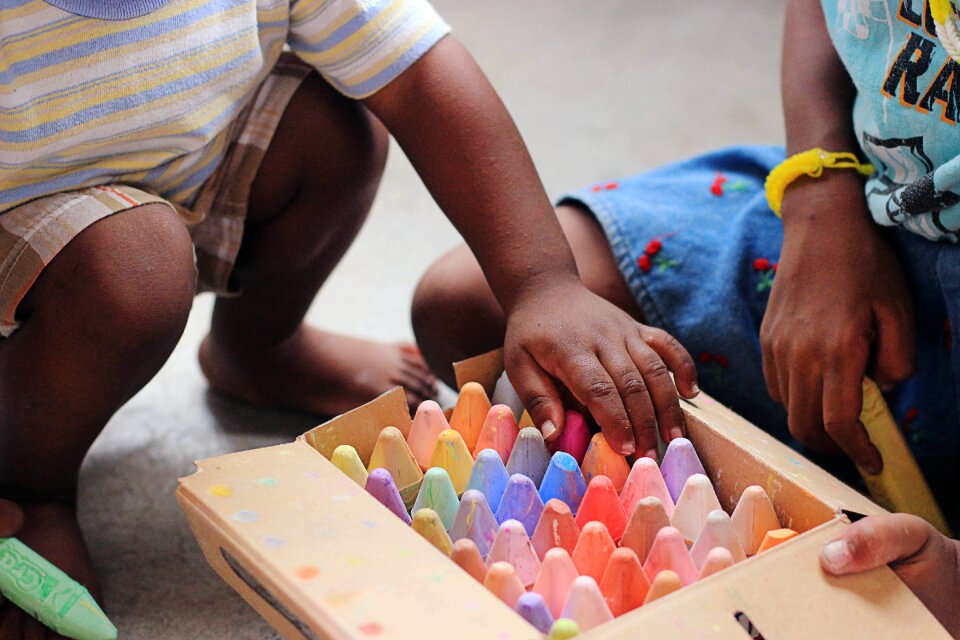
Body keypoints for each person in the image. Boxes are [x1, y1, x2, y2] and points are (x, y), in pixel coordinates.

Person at [0, 0, 699, 636]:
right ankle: (32, 484)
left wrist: (542, 283)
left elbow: (418, 74)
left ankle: (258, 347)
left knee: (338, 125)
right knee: (135, 268)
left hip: (178, 176)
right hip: (36, 228)